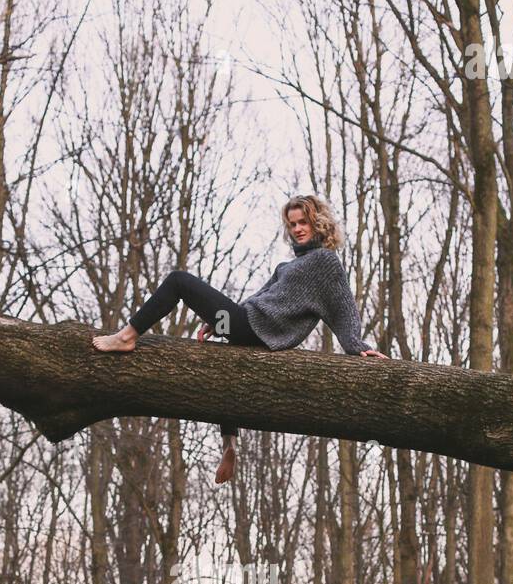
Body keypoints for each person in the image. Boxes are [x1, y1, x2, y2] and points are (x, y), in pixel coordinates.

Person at [92, 193, 390, 483]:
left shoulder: (326, 262)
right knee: (225, 368)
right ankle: (229, 445)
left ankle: (126, 337)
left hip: (257, 328)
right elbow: (256, 298)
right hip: (245, 324)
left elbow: (342, 306)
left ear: (319, 223)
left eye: (303, 222)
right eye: (292, 224)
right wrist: (217, 322)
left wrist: (357, 346)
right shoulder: (286, 267)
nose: (297, 229)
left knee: (178, 281)